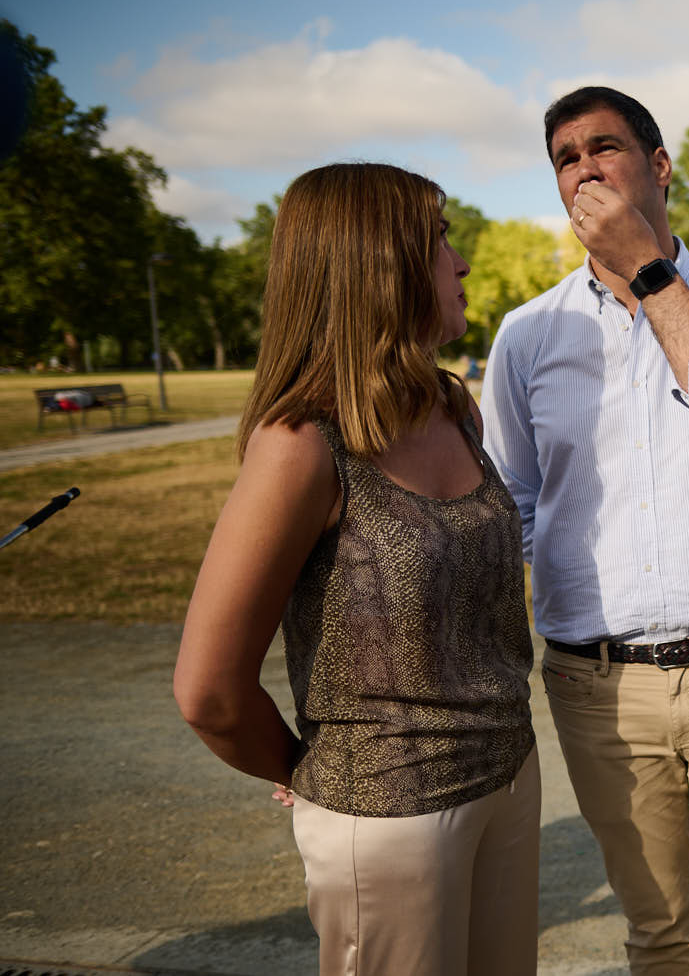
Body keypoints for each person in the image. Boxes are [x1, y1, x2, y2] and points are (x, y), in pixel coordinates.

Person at [173, 162, 539, 976]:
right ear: (383, 265)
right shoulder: (300, 446)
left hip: (510, 779)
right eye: (441, 238)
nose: (463, 262)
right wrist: (308, 770)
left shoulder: (453, 407)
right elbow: (208, 691)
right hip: (388, 819)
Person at [479, 86, 689, 976]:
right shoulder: (525, 334)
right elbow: (506, 503)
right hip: (599, 689)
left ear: (659, 168)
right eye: (564, 158)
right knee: (660, 941)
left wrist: (651, 274)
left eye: (604, 147)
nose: (583, 168)